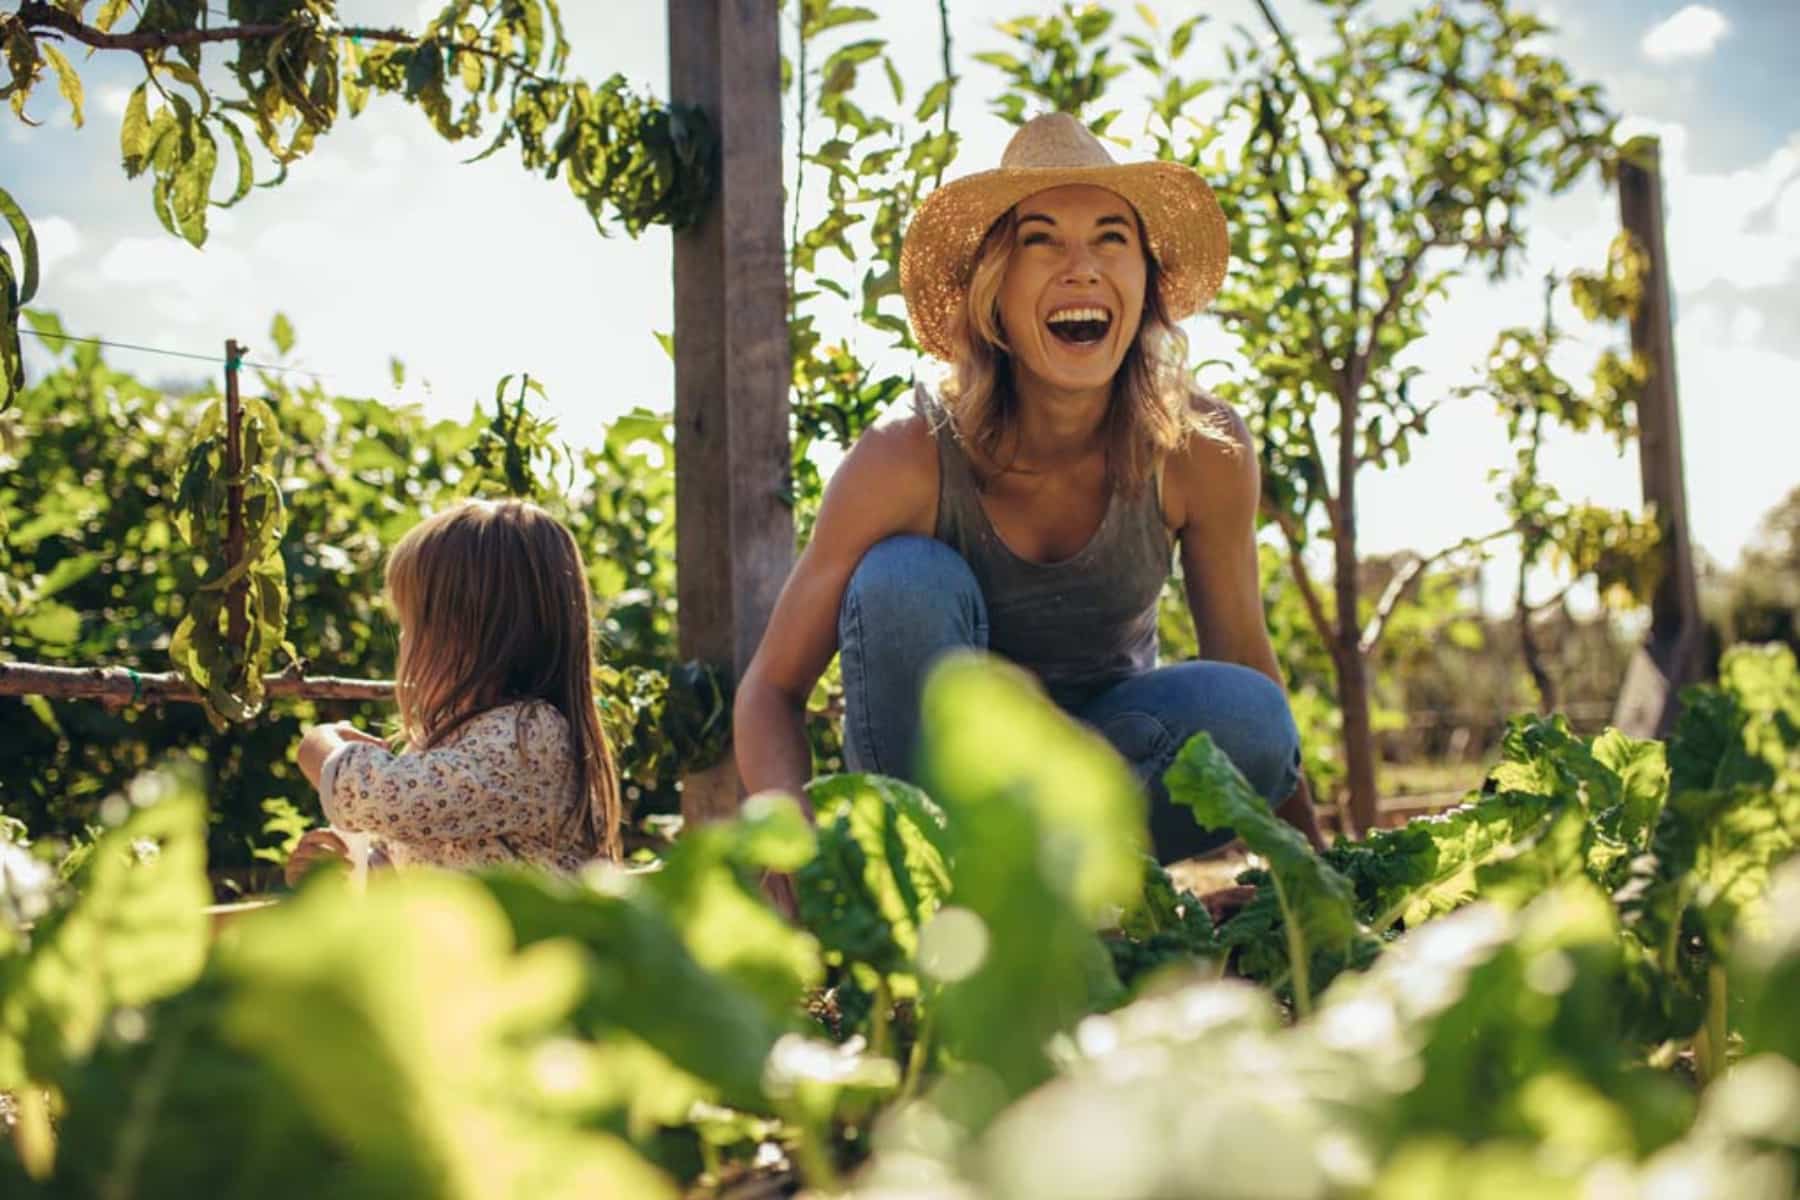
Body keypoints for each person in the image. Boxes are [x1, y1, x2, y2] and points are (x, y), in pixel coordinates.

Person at [734, 112, 1327, 870]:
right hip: (938, 802)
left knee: (1252, 715)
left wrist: (1315, 880)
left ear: (1144, 286)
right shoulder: (905, 458)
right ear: (993, 290)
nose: (1081, 268)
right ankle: (942, 899)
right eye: (1041, 240)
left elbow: (1244, 658)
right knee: (903, 578)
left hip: (1111, 775)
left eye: (1112, 238)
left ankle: (1066, 890)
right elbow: (770, 689)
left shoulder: (1199, 449)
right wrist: (789, 836)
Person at [288, 498, 621, 884]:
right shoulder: (448, 742)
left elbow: (393, 799)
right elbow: (418, 862)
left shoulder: (529, 736)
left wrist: (319, 749)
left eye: (411, 623)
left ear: (465, 634)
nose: (403, 639)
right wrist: (349, 872)